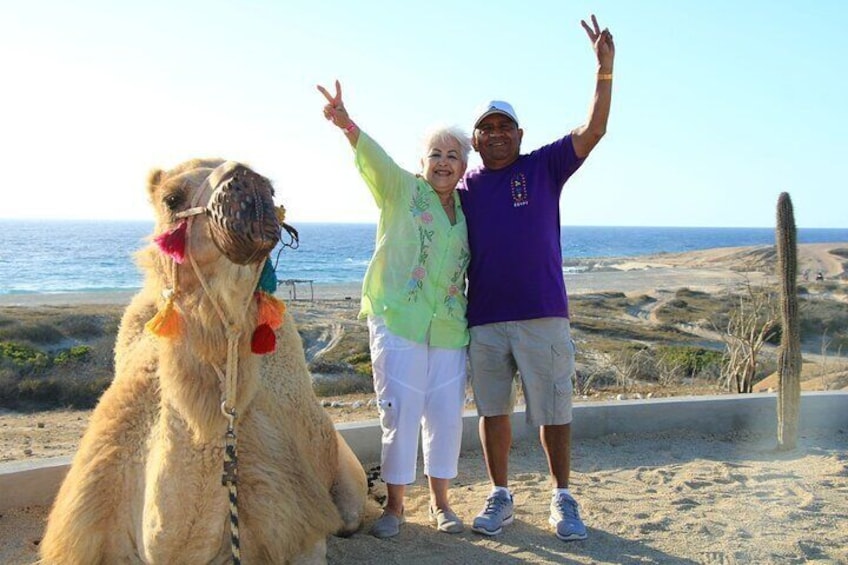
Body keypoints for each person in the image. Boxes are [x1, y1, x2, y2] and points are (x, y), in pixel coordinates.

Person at [458, 14, 615, 542]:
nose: (496, 134)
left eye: (505, 127)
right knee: (493, 411)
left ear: (519, 135)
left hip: (543, 313)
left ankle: (563, 497)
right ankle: (500, 495)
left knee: (554, 412)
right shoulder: (463, 188)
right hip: (484, 319)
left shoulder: (544, 166)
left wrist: (605, 73)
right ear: (475, 140)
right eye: (487, 128)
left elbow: (593, 130)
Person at [318, 80, 472, 538]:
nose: (443, 163)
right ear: (421, 161)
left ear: (464, 165)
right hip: (398, 320)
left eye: (452, 156)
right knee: (400, 414)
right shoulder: (401, 189)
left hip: (448, 328)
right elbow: (374, 158)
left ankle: (441, 504)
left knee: (445, 416)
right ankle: (396, 507)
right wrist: (347, 123)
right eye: (435, 154)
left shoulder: (467, 210)